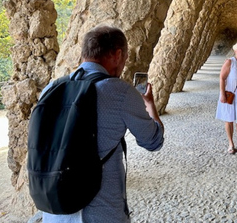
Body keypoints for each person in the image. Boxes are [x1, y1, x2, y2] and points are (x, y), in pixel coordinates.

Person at [42, 25, 165, 223]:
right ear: (117, 54)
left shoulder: (51, 89)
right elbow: (153, 141)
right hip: (100, 211)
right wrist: (150, 106)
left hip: (54, 207)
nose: (123, 64)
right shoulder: (120, 92)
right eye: (124, 59)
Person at [215, 41, 237, 154]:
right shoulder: (230, 62)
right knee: (229, 119)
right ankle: (231, 143)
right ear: (235, 50)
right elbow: (222, 78)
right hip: (230, 94)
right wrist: (222, 94)